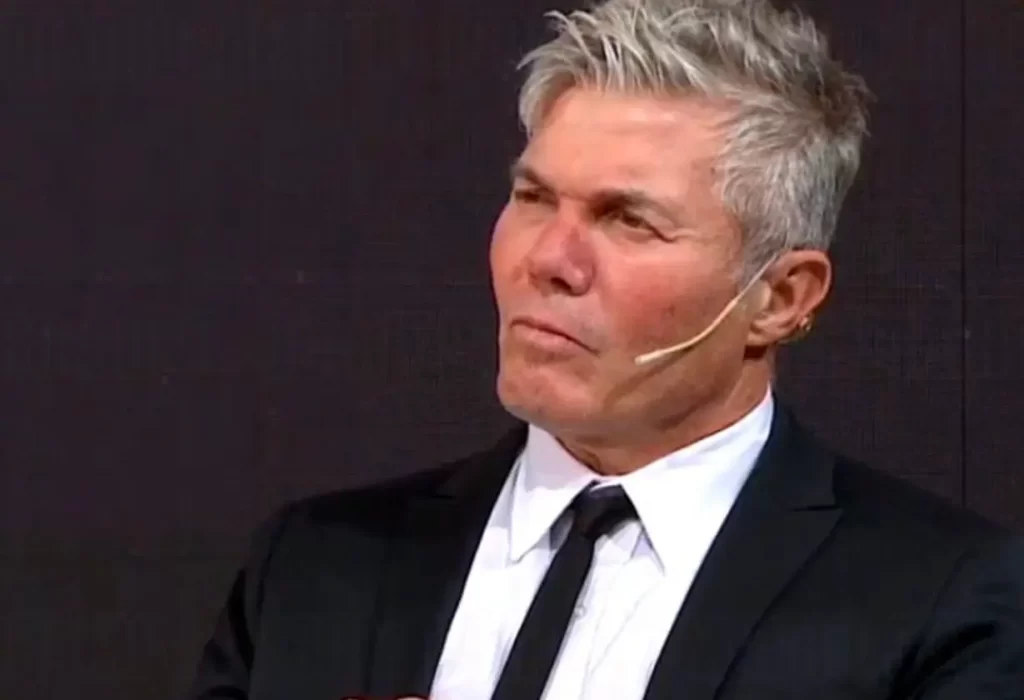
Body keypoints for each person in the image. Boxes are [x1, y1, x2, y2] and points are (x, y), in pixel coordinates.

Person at [188, 0, 1024, 698]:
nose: (548, 260)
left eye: (629, 220)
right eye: (533, 197)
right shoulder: (313, 568)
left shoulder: (938, 604)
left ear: (779, 298)